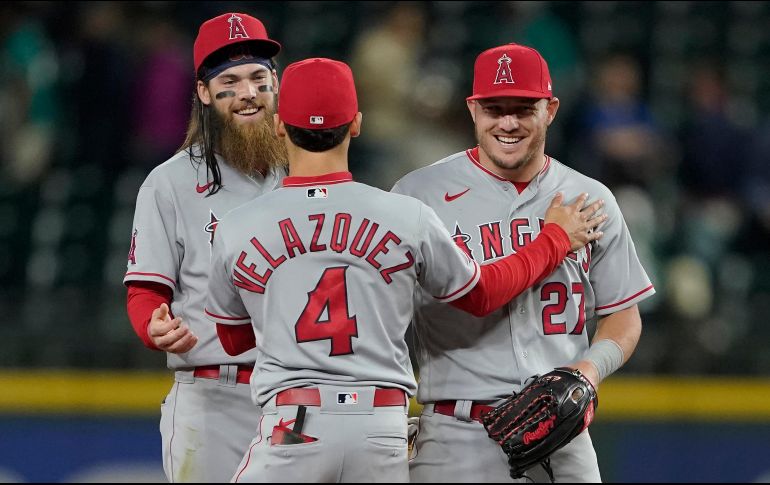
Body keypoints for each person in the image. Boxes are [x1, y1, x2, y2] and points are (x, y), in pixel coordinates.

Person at [204, 57, 606, 483]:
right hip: (379, 427)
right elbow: (484, 294)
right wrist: (555, 239)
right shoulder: (403, 215)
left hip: (294, 423)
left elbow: (232, 338)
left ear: (280, 125)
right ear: (356, 124)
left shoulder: (237, 226)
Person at [391, 43, 656, 482]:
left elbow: (623, 316)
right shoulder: (419, 195)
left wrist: (588, 373)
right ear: (473, 109)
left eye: (523, 108)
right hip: (455, 432)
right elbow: (386, 318)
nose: (508, 122)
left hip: (562, 433)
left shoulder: (590, 198)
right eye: (494, 109)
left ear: (550, 109)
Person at [123, 12, 286, 482]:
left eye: (258, 78)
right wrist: (153, 327)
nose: (248, 93)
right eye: (229, 81)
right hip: (212, 398)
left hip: (298, 399)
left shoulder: (307, 174)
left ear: (275, 83)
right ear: (204, 93)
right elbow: (145, 291)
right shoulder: (170, 182)